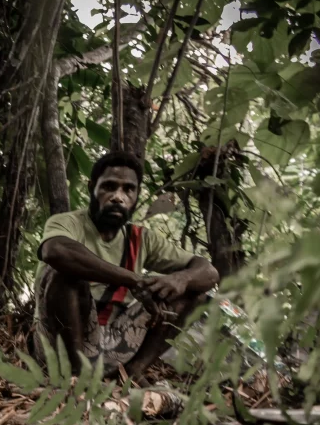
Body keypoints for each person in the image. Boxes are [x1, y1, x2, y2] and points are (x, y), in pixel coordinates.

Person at [32, 151, 219, 382]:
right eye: (109, 187)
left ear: (137, 195)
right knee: (62, 273)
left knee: (192, 292)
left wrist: (180, 280)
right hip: (59, 347)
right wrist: (134, 280)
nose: (118, 197)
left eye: (128, 189)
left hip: (113, 345)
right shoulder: (68, 222)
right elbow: (55, 251)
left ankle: (132, 374)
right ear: (92, 188)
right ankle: (74, 376)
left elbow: (209, 272)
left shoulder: (142, 239)